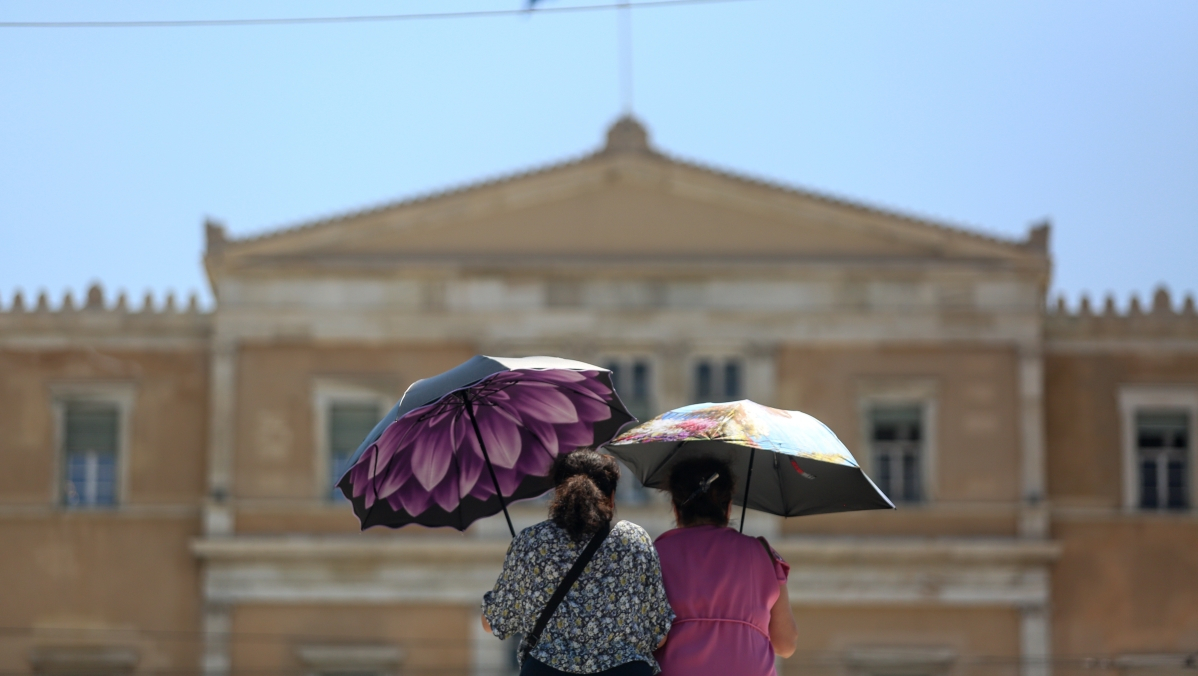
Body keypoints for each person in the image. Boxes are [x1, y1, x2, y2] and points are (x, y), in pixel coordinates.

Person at [482, 449, 674, 676]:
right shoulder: (635, 540)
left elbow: (494, 623)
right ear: (612, 499)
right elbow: (659, 635)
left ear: (557, 495)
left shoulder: (531, 542)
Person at [653, 456, 799, 676]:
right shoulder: (763, 554)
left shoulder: (653, 554)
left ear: (675, 508)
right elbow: (785, 644)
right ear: (729, 507)